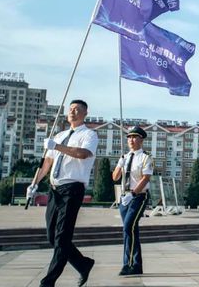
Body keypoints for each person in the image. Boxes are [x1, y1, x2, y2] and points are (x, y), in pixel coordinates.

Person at [27, 99, 98, 287]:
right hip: (55, 189)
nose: (72, 112)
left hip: (72, 189)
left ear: (85, 113)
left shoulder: (89, 135)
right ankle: (83, 264)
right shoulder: (59, 135)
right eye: (71, 109)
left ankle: (48, 282)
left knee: (62, 237)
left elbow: (83, 154)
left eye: (77, 110)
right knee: (52, 236)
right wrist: (34, 183)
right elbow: (47, 164)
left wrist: (56, 146)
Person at [112, 126, 153, 276]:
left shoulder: (146, 157)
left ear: (141, 140)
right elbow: (115, 177)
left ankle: (127, 264)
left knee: (128, 227)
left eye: (135, 137)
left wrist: (134, 193)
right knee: (130, 230)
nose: (131, 140)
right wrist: (119, 165)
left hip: (138, 196)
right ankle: (137, 265)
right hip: (124, 197)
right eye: (129, 137)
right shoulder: (124, 157)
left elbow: (146, 178)